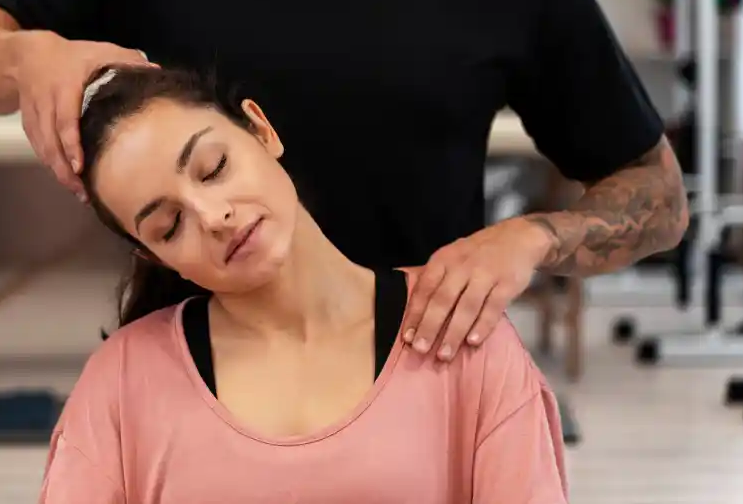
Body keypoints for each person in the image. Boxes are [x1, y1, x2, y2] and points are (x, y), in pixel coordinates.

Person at [0, 0, 689, 361]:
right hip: (203, 383)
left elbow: (658, 194)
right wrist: (24, 54)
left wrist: (530, 238)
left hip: (411, 373)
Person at [40, 64, 568, 504]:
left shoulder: (463, 334)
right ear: (155, 256)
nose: (215, 215)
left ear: (261, 129)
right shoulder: (121, 383)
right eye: (170, 226)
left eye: (213, 167)